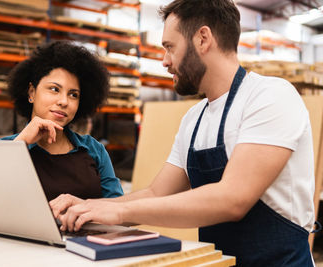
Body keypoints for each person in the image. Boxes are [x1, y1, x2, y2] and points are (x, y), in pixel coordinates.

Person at [49, 0, 316, 265]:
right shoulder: (194, 118)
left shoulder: (270, 96)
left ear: (203, 38)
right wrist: (89, 207)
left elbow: (233, 199)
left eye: (169, 47)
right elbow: (156, 194)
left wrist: (118, 212)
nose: (165, 61)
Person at [0, 41, 123, 202]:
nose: (64, 101)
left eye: (73, 95)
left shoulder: (94, 150)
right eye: (54, 89)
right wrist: (21, 144)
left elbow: (117, 207)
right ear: (31, 92)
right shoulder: (5, 148)